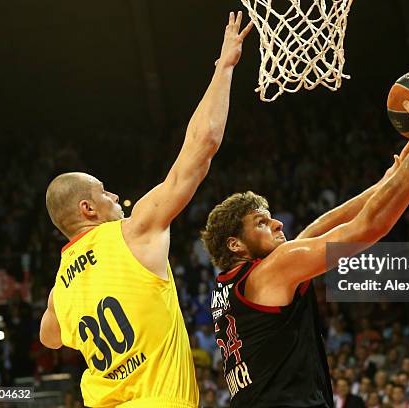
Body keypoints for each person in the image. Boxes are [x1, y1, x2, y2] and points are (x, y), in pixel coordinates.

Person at [38, 11, 253, 407]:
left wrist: (67, 291)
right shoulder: (132, 233)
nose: (115, 198)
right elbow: (201, 147)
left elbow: (48, 336)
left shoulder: (60, 291)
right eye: (104, 194)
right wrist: (223, 67)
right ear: (87, 208)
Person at [202, 84, 409, 406]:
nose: (278, 224)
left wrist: (389, 181)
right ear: (236, 245)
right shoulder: (272, 271)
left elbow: (316, 230)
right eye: (262, 223)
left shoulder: (229, 287)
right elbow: (369, 227)